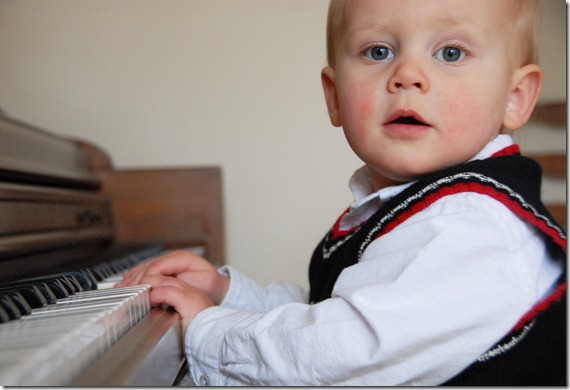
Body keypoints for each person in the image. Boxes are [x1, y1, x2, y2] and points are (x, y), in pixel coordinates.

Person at [116, 0, 566, 385]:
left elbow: (345, 347)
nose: (408, 74)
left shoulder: (474, 226)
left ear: (515, 97)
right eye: (378, 51)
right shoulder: (408, 204)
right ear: (334, 96)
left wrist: (206, 330)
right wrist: (228, 294)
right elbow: (334, 308)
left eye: (451, 52)